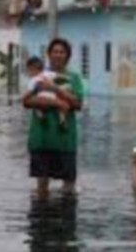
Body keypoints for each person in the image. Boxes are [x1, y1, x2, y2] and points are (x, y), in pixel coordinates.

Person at [23, 38, 84, 198]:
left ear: (68, 56)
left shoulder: (74, 78)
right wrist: (57, 103)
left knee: (69, 188)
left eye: (62, 52)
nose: (58, 55)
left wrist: (54, 88)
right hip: (41, 139)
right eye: (55, 51)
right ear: (49, 55)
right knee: (42, 188)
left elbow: (77, 104)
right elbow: (27, 101)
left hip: (65, 141)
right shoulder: (40, 76)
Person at [25, 56, 69, 127]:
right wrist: (66, 79)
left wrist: (24, 96)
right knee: (62, 107)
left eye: (29, 70)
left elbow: (28, 93)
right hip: (52, 96)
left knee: (37, 107)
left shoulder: (32, 80)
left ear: (31, 69)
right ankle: (62, 118)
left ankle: (41, 115)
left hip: (41, 98)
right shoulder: (47, 73)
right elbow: (58, 76)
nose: (29, 73)